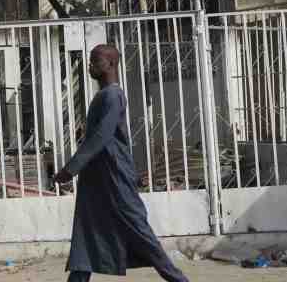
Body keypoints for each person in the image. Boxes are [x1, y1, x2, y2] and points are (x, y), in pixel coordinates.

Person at [54, 44, 189, 282]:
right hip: (97, 180)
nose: (91, 66)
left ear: (111, 64)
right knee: (86, 234)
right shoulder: (103, 95)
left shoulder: (113, 95)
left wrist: (70, 168)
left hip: (115, 176)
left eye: (96, 62)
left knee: (140, 233)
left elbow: (101, 137)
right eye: (91, 61)